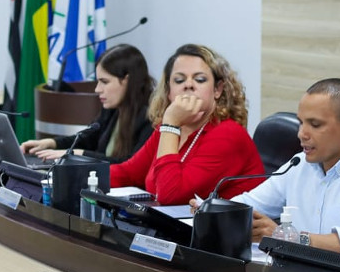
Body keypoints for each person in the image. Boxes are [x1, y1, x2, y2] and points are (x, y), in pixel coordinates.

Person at [223, 78, 340, 257]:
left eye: (315, 124)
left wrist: (289, 238)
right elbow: (248, 204)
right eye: (301, 122)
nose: (301, 134)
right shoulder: (299, 164)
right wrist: (211, 210)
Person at [109, 44, 263, 204]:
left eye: (200, 79)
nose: (188, 85)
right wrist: (84, 175)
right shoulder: (170, 128)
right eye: (179, 80)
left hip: (222, 228)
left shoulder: (228, 133)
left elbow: (171, 196)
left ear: (217, 90)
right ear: (169, 91)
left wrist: (171, 125)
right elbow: (127, 173)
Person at [20, 44, 154, 163]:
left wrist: (79, 154)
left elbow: (128, 165)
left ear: (127, 81)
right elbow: (88, 139)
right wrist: (51, 143)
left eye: (105, 82)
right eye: (98, 81)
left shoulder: (151, 118)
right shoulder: (113, 108)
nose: (97, 89)